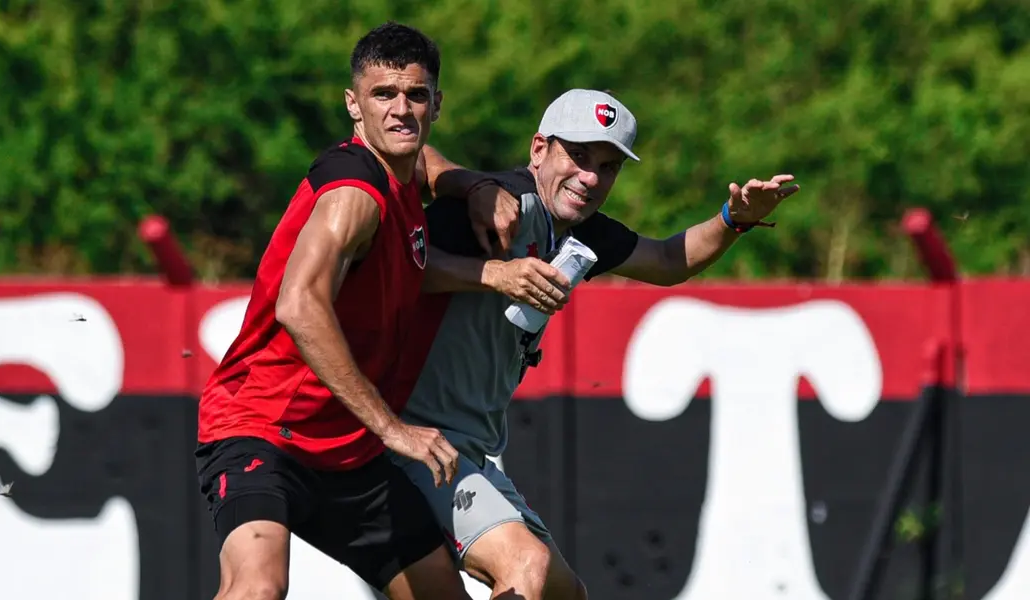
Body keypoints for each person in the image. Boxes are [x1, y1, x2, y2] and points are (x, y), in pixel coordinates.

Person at [193, 22, 571, 600]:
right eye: (382, 95)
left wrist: (470, 192)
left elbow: (417, 210)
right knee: (257, 588)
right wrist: (393, 428)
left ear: (436, 104)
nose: (401, 110)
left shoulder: (400, 174)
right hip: (265, 431)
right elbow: (300, 305)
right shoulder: (355, 194)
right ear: (353, 105)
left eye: (416, 96)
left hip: (348, 452)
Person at [391, 88, 801, 600]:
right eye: (579, 156)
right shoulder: (497, 205)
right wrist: (494, 273)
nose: (590, 178)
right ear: (539, 149)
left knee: (567, 594)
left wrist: (733, 219)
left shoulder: (581, 231)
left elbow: (669, 260)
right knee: (527, 565)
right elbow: (394, 265)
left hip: (465, 453)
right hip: (412, 441)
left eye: (608, 167)